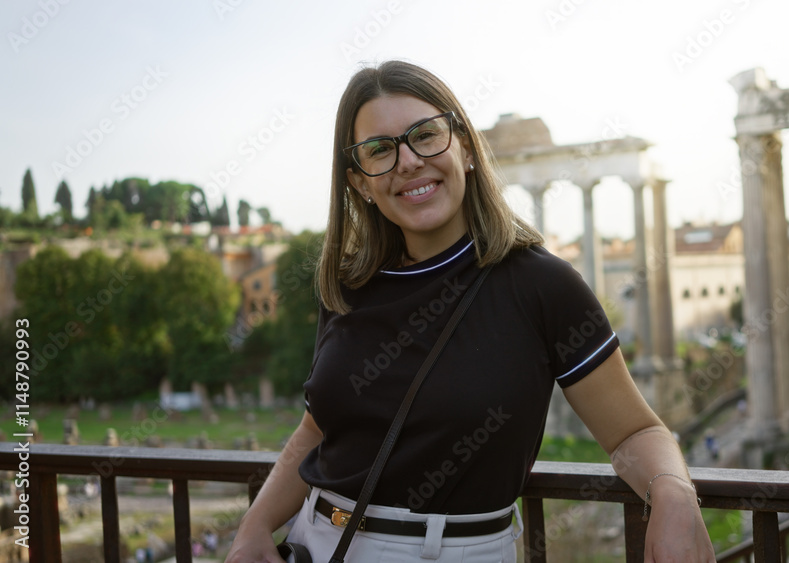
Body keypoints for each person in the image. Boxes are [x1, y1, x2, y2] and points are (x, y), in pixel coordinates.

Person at [225, 60, 714, 562]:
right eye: (380, 150)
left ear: (466, 148)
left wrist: (674, 493)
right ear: (359, 183)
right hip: (321, 542)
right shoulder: (348, 286)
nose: (408, 161)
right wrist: (254, 527)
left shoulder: (542, 285)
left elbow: (636, 431)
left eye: (426, 135)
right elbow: (317, 428)